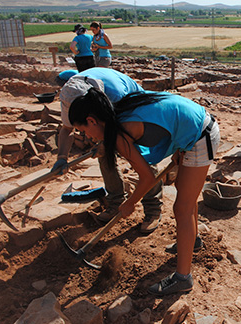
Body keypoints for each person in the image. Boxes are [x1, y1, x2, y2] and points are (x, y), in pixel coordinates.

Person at [68, 89, 220, 295]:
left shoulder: (121, 131)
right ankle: (192, 242)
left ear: (91, 120)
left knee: (182, 207)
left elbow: (147, 177)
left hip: (200, 135)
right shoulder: (118, 114)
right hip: (193, 129)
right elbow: (167, 117)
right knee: (184, 193)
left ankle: (183, 278)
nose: (86, 136)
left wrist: (130, 202)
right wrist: (179, 147)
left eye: (83, 130)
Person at [52, 68, 163, 234]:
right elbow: (67, 129)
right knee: (103, 154)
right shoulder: (69, 96)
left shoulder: (115, 94)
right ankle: (115, 203)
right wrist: (61, 157)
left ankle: (153, 210)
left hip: (135, 111)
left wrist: (108, 142)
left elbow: (121, 126)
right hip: (106, 113)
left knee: (142, 155)